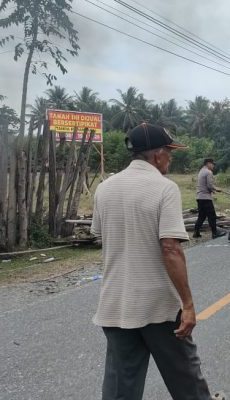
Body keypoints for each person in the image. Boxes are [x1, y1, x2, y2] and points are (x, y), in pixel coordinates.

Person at [90, 123, 213, 400]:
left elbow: (99, 234)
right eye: (169, 153)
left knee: (121, 389)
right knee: (187, 381)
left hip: (115, 305)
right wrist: (189, 305)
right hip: (159, 307)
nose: (170, 158)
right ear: (157, 155)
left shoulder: (104, 189)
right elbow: (170, 248)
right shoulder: (164, 188)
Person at [194, 158, 225, 239]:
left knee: (202, 216)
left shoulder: (201, 171)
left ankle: (196, 232)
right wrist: (216, 189)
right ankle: (215, 233)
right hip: (206, 198)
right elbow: (209, 185)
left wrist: (213, 189)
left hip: (199, 197)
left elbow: (205, 185)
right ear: (208, 163)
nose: (213, 165)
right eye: (212, 164)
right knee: (212, 216)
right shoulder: (208, 172)